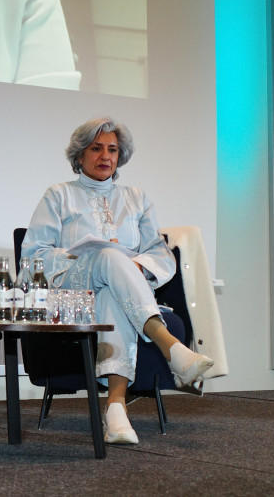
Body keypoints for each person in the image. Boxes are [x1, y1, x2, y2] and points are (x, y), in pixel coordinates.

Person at [22, 117, 215, 444]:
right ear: (80, 155)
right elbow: (34, 255)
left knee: (113, 286)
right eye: (96, 148)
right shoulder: (58, 195)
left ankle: (115, 410)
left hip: (118, 291)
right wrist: (89, 257)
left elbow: (160, 252)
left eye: (112, 149)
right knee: (110, 257)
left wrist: (136, 267)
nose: (105, 156)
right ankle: (171, 347)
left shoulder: (137, 198)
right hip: (70, 291)